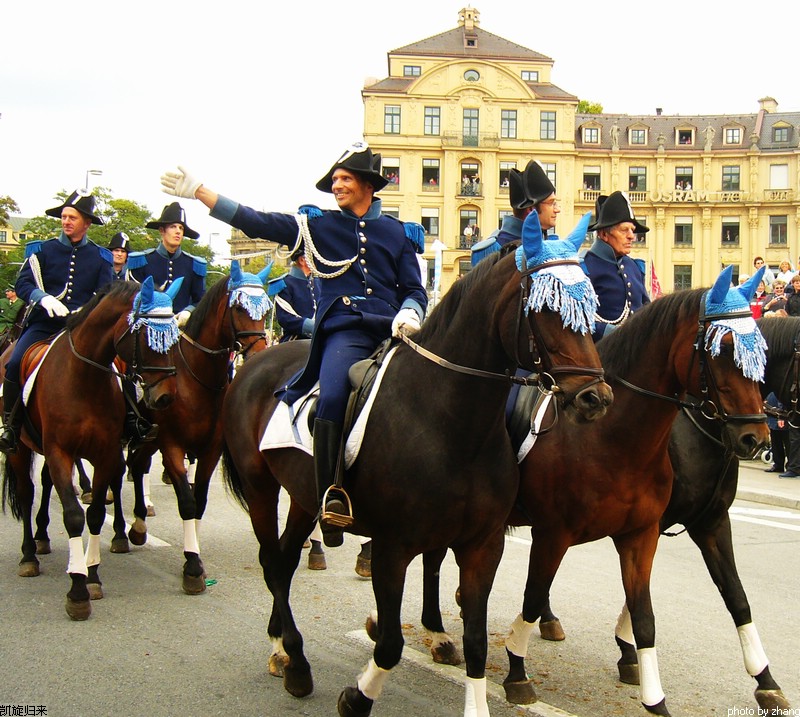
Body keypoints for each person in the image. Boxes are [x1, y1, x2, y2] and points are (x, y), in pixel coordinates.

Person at [160, 142, 428, 546]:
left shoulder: (397, 233)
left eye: (344, 178)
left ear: (368, 184)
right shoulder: (318, 227)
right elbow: (258, 221)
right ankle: (332, 494)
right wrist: (201, 192)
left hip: (394, 332)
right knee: (335, 395)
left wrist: (411, 309)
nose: (336, 185)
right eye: (335, 179)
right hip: (348, 333)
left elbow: (414, 288)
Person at [0, 190, 114, 454]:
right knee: (15, 362)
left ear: (86, 223)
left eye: (72, 218)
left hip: (82, 328)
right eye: (64, 216)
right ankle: (12, 426)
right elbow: (24, 282)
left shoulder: (101, 257)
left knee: (120, 366)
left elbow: (107, 291)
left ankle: (130, 422)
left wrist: (87, 309)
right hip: (45, 324)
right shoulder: (42, 250)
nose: (66, 222)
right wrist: (42, 298)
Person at [583, 191, 650, 341]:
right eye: (624, 230)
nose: (631, 236)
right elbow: (577, 318)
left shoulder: (634, 267)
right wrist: (617, 333)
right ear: (604, 234)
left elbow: (646, 310)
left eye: (632, 230)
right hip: (600, 357)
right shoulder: (584, 267)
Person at [128, 202, 206, 325]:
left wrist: (189, 311)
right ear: (162, 230)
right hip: (147, 327)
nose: (178, 231)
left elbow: (200, 300)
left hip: (182, 327)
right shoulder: (143, 261)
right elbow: (132, 299)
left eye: (181, 228)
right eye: (173, 227)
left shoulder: (193, 264)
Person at [470, 159, 559, 266]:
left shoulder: (553, 246)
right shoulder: (490, 251)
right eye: (551, 203)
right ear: (531, 210)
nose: (557, 209)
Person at [275, 247, 318, 342]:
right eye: (314, 257)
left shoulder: (319, 283)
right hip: (295, 339)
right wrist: (313, 327)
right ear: (302, 260)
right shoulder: (284, 284)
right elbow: (285, 318)